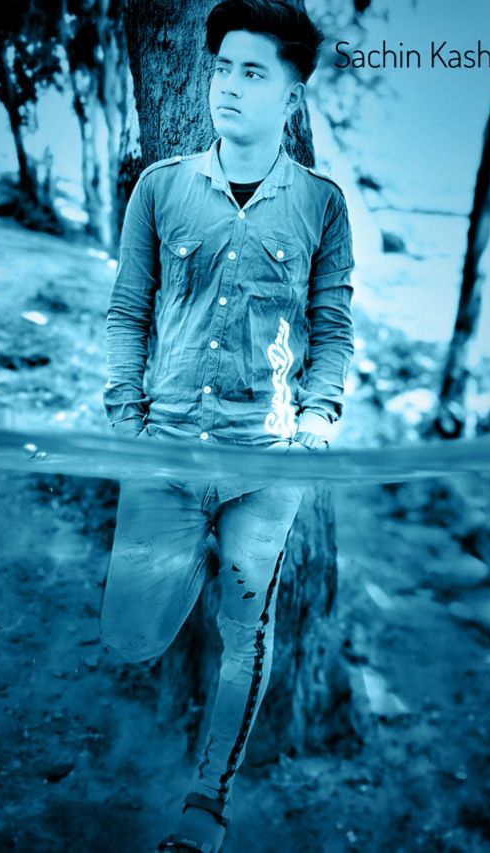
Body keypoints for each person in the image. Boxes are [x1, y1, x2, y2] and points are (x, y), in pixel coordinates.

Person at [99, 1, 355, 850]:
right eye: (221, 69)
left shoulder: (321, 205)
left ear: (291, 94)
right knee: (130, 636)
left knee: (247, 629)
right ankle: (183, 580)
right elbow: (127, 312)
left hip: (266, 462)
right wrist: (127, 421)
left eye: (252, 72)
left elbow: (333, 327)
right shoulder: (161, 187)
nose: (228, 87)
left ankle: (206, 801)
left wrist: (317, 418)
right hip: (167, 450)